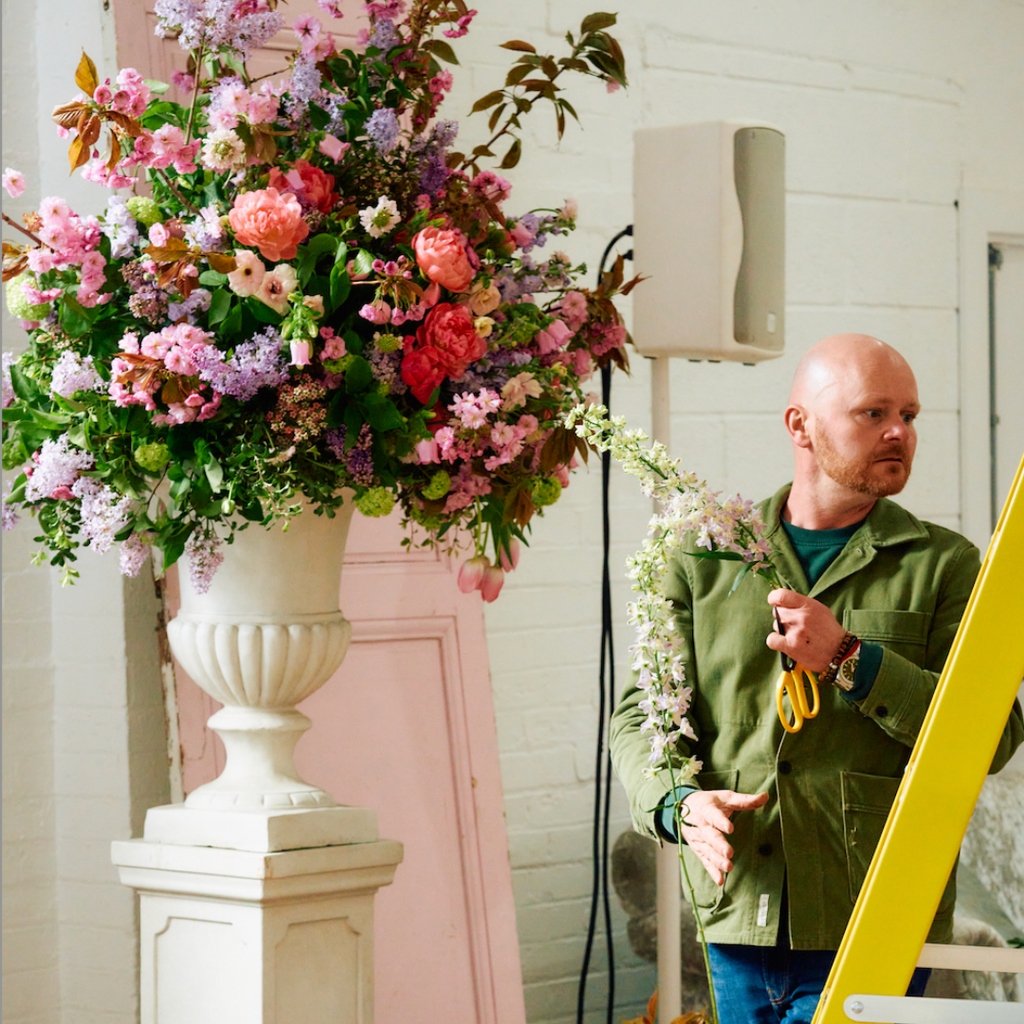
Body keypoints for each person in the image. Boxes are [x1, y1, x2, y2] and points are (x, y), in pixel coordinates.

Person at [609, 333, 1024, 1024]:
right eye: (874, 413)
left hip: (878, 916)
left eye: (911, 415)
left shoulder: (945, 565)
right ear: (799, 425)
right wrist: (677, 802)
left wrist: (850, 661)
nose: (899, 431)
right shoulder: (701, 556)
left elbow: (993, 737)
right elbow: (641, 717)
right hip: (737, 910)